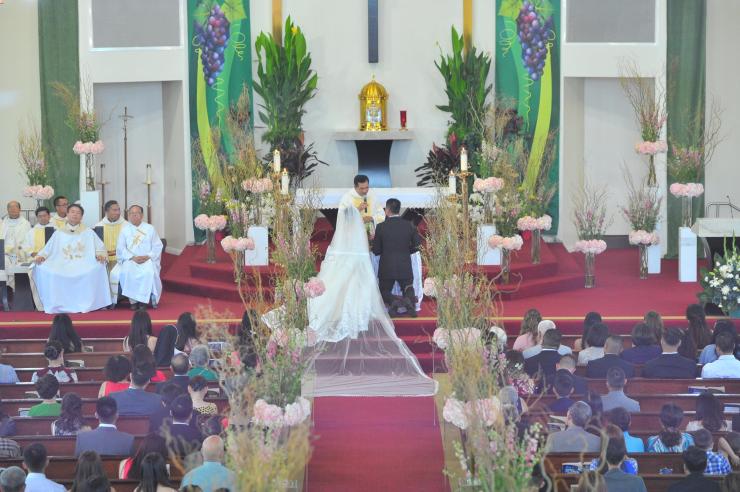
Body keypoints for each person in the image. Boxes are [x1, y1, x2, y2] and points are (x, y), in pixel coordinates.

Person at [297, 202, 435, 396]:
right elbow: (365, 259)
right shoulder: (360, 234)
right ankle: (368, 315)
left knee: (336, 292)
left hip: (346, 273)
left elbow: (331, 262)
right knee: (359, 288)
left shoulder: (338, 239)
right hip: (370, 272)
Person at [31, 203, 112, 314]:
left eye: (78, 213)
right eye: (72, 212)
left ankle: (94, 303)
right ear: (67, 214)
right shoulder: (58, 233)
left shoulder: (88, 232)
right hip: (61, 265)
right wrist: (41, 256)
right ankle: (56, 303)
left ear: (81, 217)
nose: (75, 215)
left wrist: (100, 255)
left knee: (98, 268)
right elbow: (47, 249)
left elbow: (100, 248)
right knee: (45, 269)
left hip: (84, 264)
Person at [371, 198, 420, 316]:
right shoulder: (409, 225)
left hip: (387, 266)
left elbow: (376, 251)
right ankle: (408, 301)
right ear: (399, 209)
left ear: (387, 210)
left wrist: (373, 242)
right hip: (404, 265)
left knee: (383, 291)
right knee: (408, 288)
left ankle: (393, 301)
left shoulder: (381, 227)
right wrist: (406, 251)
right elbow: (417, 246)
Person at [111, 205, 163, 310]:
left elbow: (157, 246)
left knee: (148, 272)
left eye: (137, 213)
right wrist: (132, 257)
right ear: (128, 215)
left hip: (147, 259)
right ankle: (133, 301)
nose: (134, 215)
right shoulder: (125, 230)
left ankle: (143, 301)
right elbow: (120, 248)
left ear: (142, 215)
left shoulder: (150, 228)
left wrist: (148, 256)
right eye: (132, 213)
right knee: (126, 272)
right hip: (130, 259)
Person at [0, 200, 31, 291]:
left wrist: (17, 250)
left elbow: (28, 241)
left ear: (20, 209)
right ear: (7, 210)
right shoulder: (2, 223)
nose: (13, 209)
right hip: (5, 252)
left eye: (15, 207)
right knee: (3, 262)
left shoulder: (25, 223)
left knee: (20, 264)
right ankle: (7, 288)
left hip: (20, 252)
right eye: (10, 207)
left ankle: (17, 289)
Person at [95, 200, 127, 271]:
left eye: (118, 210)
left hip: (122, 260)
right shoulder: (99, 226)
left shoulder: (126, 226)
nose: (118, 212)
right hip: (104, 261)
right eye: (115, 210)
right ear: (107, 211)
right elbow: (97, 245)